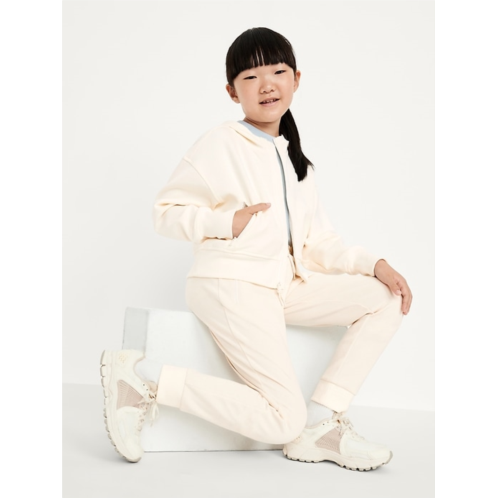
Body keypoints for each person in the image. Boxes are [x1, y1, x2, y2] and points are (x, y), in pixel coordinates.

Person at [100, 27, 412, 471]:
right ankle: (143, 379)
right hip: (230, 283)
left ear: (296, 79)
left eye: (278, 72)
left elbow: (317, 243)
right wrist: (227, 223)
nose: (267, 84)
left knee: (384, 297)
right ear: (232, 92)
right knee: (282, 420)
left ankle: (321, 423)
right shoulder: (220, 143)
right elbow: (165, 212)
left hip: (280, 286)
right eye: (251, 77)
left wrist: (373, 264)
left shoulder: (298, 163)